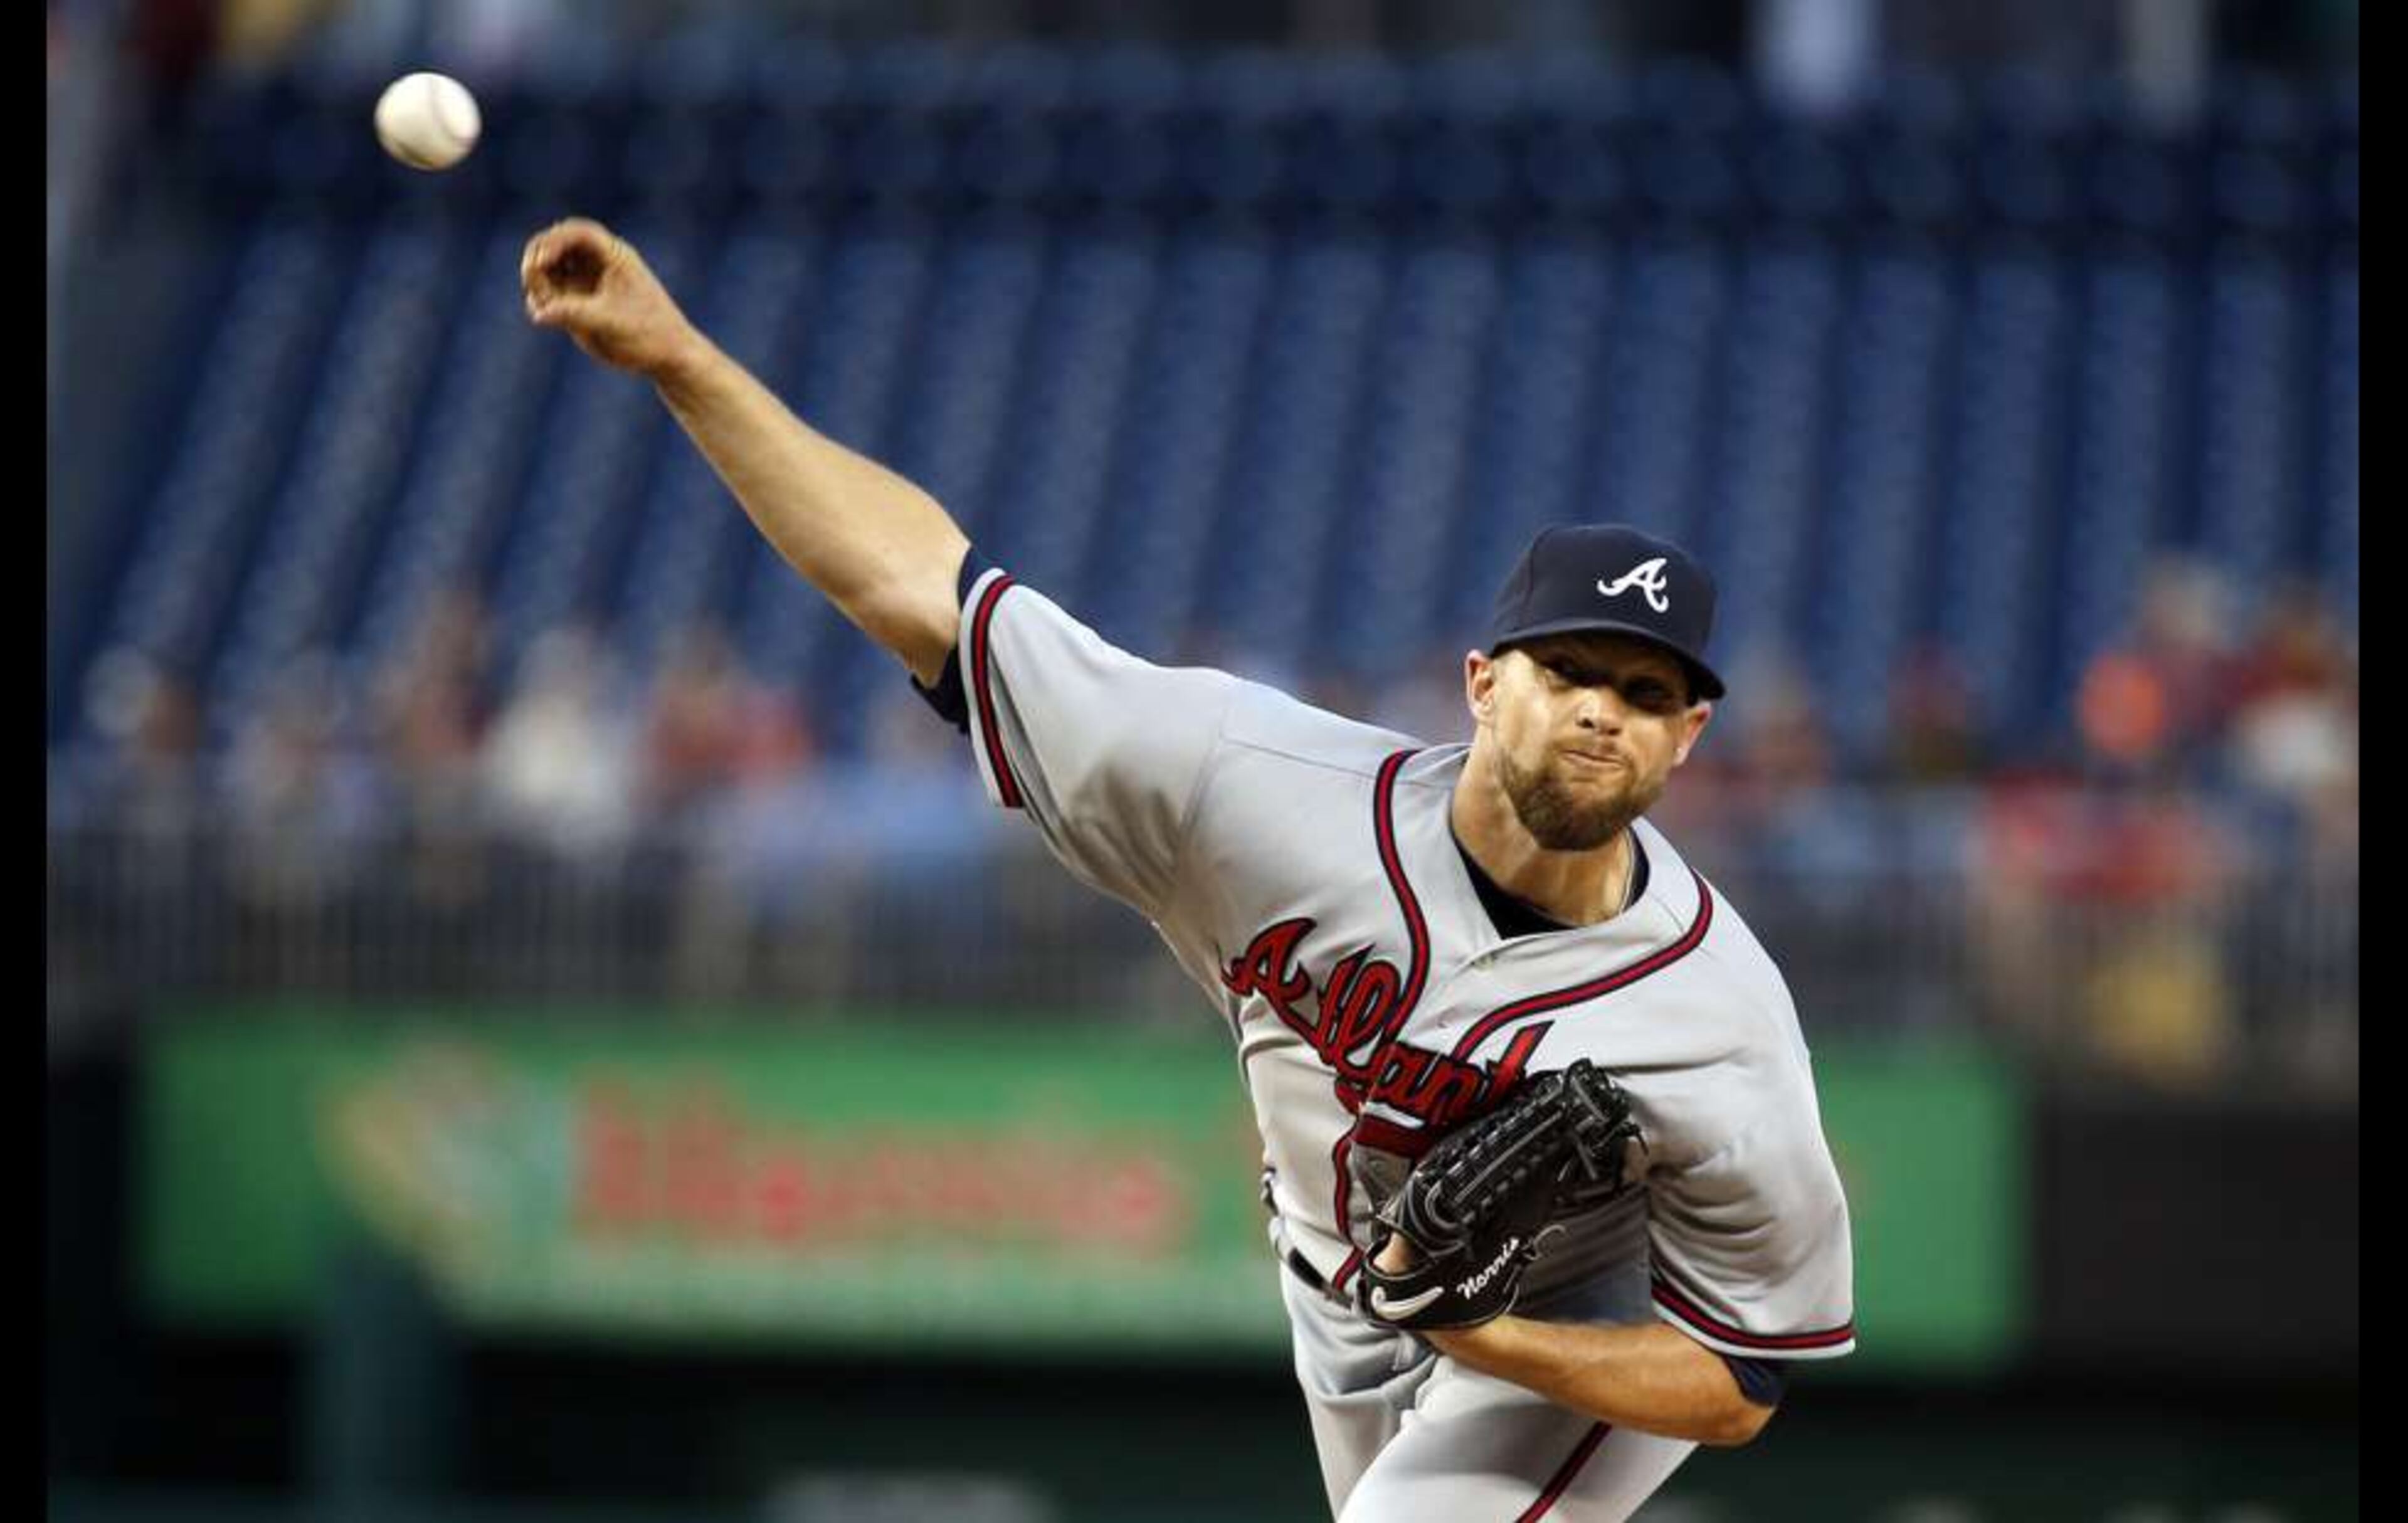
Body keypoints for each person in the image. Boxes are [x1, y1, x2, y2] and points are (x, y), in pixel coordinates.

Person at [521, 217, 1856, 1522]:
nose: (1599, 711)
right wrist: (682, 360)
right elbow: (927, 592)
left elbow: (1743, 1375)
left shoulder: (1721, 1027)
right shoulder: (1255, 788)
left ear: (1690, 737)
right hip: (1335, 1299)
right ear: (1481, 681)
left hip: (1569, 1321)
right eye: (1567, 669)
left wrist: (1493, 1336)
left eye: (1644, 690)